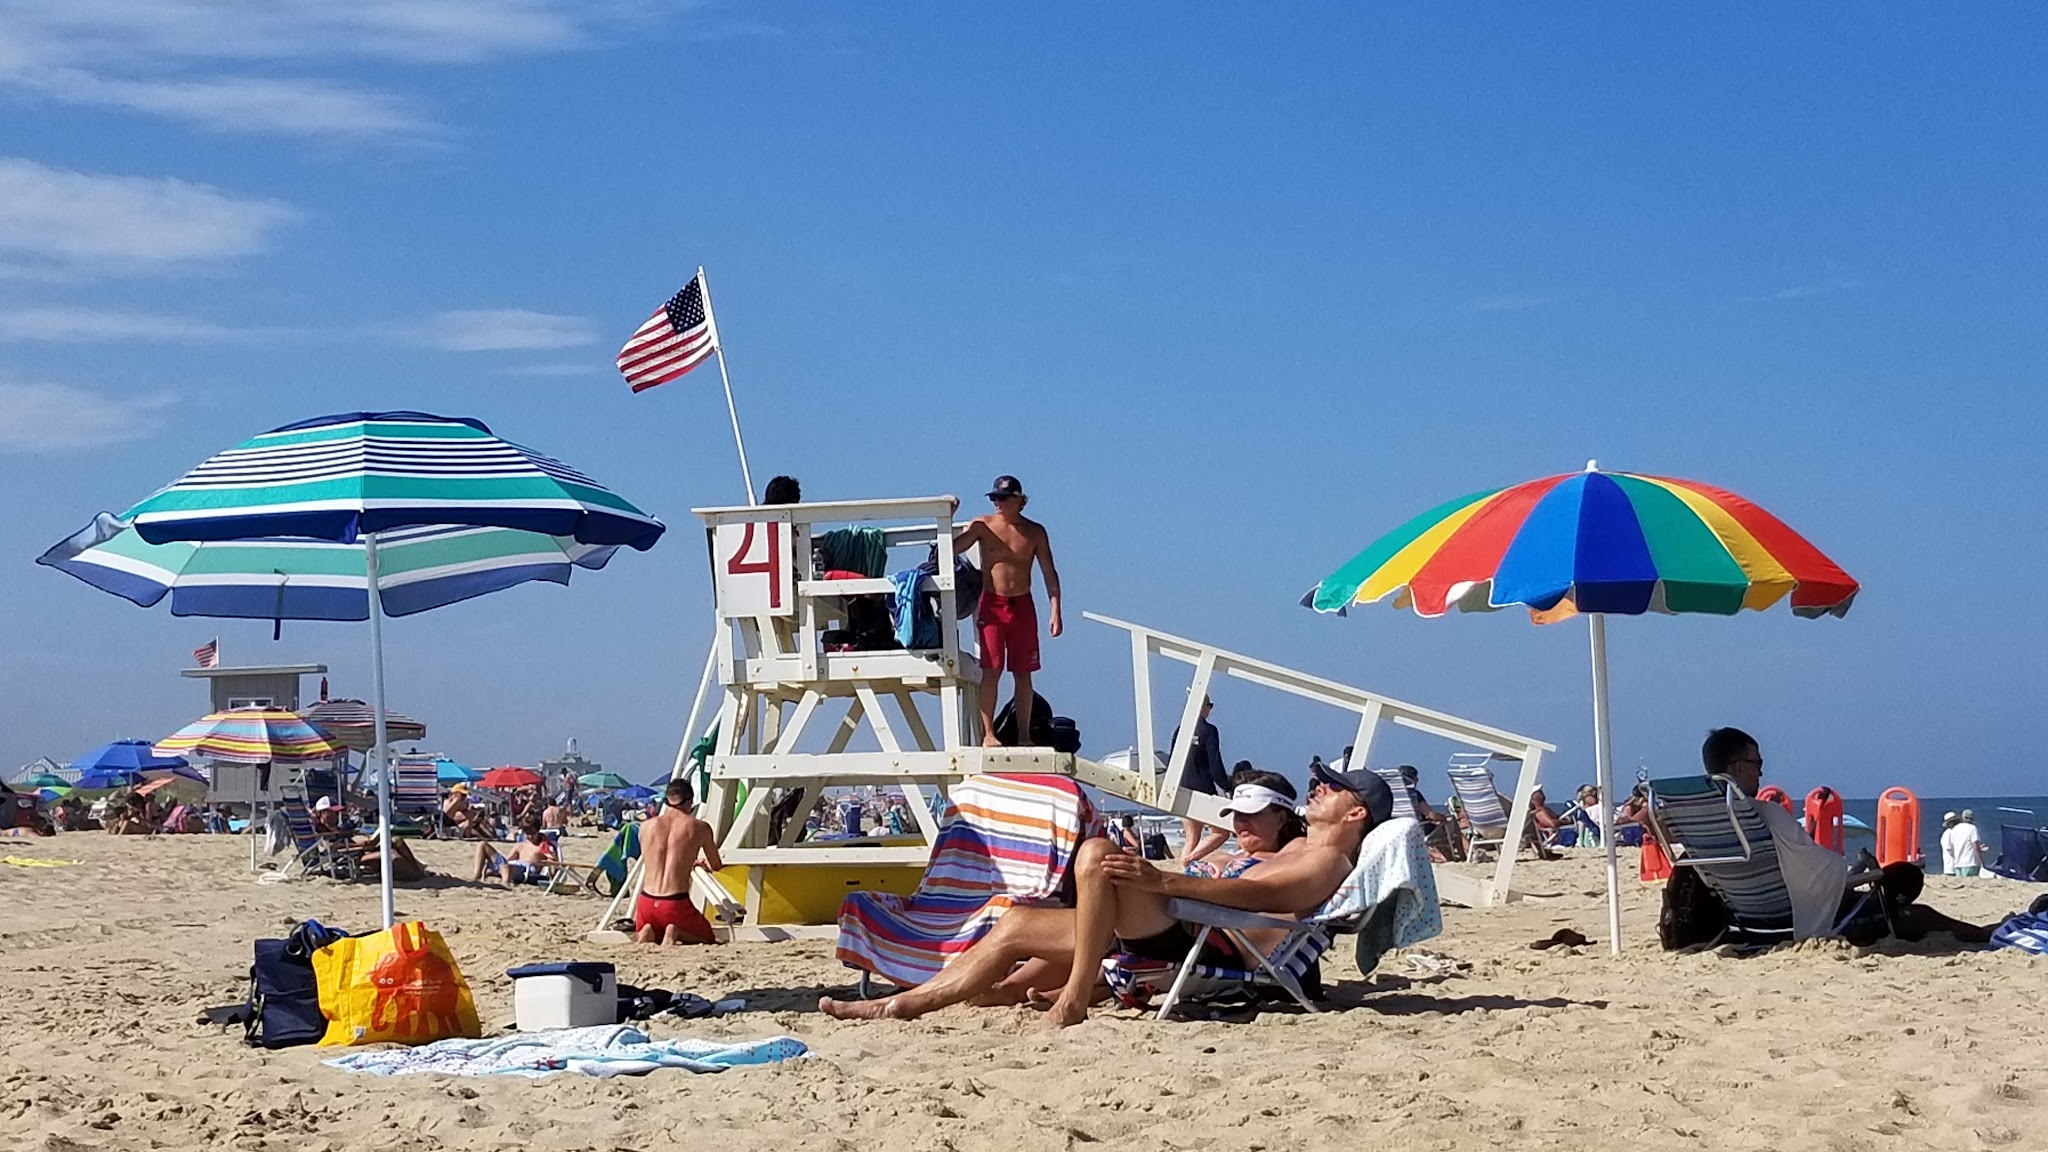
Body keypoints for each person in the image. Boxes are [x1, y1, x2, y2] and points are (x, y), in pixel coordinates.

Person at [820, 762, 1392, 1027]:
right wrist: (1160, 878)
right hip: (1185, 921)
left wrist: (1160, 880)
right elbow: (1239, 880)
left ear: (1356, 813)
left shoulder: (1326, 858)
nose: (1319, 787)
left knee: (1094, 856)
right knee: (1017, 923)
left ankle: (1073, 997)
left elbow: (1247, 895)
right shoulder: (1296, 845)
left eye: (1334, 788)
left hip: (1211, 939)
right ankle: (901, 1002)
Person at [1704, 727, 1991, 944]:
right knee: (1913, 909)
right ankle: (1984, 934)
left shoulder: (1705, 822)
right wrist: (1858, 876)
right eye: (1757, 763)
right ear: (1738, 767)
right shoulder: (1766, 813)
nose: (1761, 773)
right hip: (1796, 921)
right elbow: (1824, 869)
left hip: (1745, 921)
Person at [951, 475, 1062, 748]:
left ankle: (1024, 736)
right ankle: (988, 734)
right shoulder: (983, 526)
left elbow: (1049, 572)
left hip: (1023, 605)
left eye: (1002, 498)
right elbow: (951, 549)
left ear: (1018, 500)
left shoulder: (1035, 532)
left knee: (1024, 673)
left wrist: (1055, 609)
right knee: (992, 669)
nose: (997, 503)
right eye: (994, 498)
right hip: (992, 603)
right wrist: (947, 519)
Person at [635, 778, 723, 945]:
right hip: (675, 903)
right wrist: (700, 863)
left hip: (646, 902)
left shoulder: (645, 826)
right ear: (690, 801)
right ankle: (676, 932)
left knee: (650, 927)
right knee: (708, 938)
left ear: (666, 799)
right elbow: (716, 865)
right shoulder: (699, 827)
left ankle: (647, 931)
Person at [1181, 770, 1309, 878]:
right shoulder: (1227, 856)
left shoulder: (1298, 854)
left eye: (1251, 813)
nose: (1241, 820)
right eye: (1237, 813)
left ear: (1280, 819)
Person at [1168, 697, 1231, 864]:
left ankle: (1185, 871)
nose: (1210, 710)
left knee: (1191, 837)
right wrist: (1228, 786)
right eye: (1209, 706)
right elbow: (1214, 765)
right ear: (1202, 707)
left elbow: (1172, 760)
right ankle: (1189, 860)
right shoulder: (1209, 731)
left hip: (1182, 787)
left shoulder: (1181, 729)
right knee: (1221, 832)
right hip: (1202, 787)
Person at [472, 822, 556, 885]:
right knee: (482, 844)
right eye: (527, 834)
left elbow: (552, 862)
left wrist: (552, 877)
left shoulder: (543, 846)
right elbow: (507, 860)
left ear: (538, 831)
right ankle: (476, 876)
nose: (530, 836)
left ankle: (505, 884)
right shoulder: (520, 845)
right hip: (511, 866)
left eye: (532, 833)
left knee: (505, 866)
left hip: (526, 869)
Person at [1943, 809, 1988, 878]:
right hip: (1970, 863)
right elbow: (1975, 846)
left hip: (1957, 865)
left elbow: (1953, 847)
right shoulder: (1972, 828)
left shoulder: (1954, 830)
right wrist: (1981, 863)